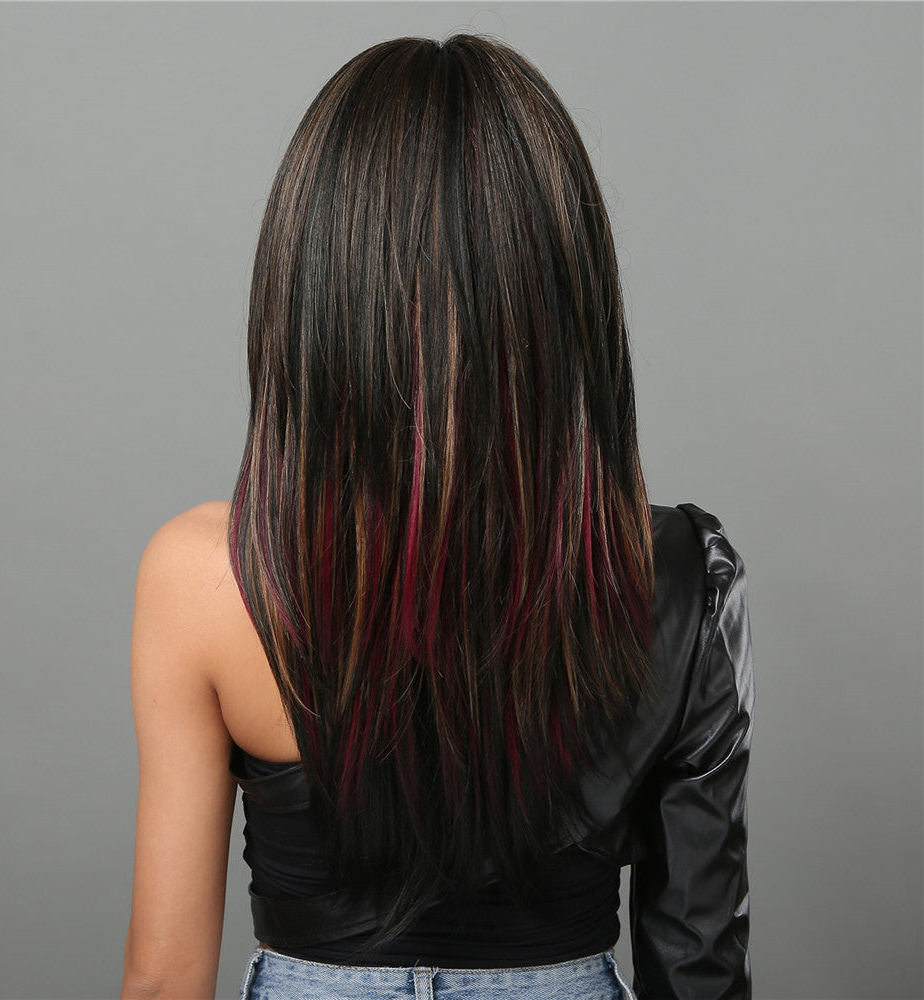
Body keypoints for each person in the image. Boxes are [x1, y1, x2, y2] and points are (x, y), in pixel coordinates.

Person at [120, 33, 754, 1000]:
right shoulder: (672, 570)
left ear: (316, 283)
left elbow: (165, 979)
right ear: (562, 290)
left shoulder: (199, 574)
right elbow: (699, 965)